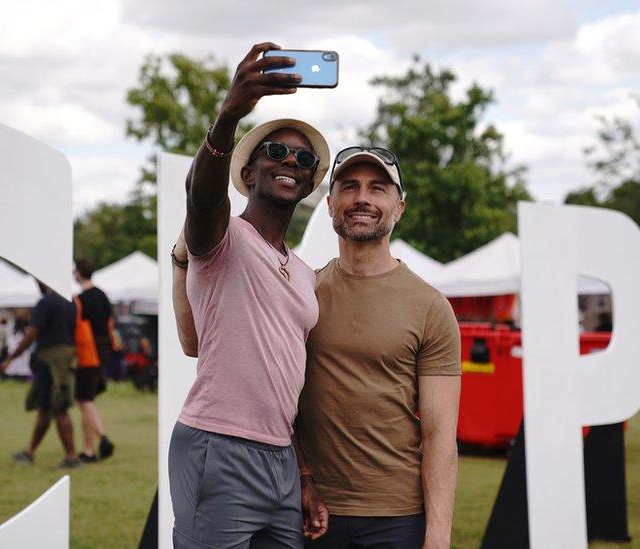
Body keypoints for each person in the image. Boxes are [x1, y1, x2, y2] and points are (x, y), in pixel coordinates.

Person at [172, 146, 463, 547]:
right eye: (349, 187)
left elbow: (440, 436)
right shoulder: (304, 291)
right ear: (329, 205)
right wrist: (182, 260)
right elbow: (217, 353)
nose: (362, 198)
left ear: (399, 208)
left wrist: (439, 535)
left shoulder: (431, 307)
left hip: (396, 514)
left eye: (378, 188)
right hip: (310, 508)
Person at [167, 42, 327, 548]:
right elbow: (202, 194)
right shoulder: (221, 239)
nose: (290, 162)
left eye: (303, 158)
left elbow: (286, 380)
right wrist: (228, 116)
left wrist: (301, 473)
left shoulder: (303, 273)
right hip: (218, 446)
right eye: (275, 153)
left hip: (280, 458)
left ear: (308, 183)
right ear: (248, 172)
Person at [3, 281, 80, 469]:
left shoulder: (46, 302)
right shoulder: (70, 301)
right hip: (62, 360)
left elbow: (32, 333)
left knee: (59, 408)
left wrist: (11, 357)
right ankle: (29, 452)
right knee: (45, 408)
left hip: (51, 361)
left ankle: (72, 458)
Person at [72, 258, 115, 463]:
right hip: (104, 350)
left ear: (78, 273)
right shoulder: (103, 296)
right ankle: (88, 450)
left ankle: (103, 438)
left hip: (88, 353)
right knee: (86, 400)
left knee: (84, 400)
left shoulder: (80, 299)